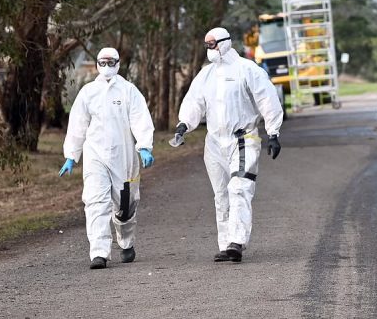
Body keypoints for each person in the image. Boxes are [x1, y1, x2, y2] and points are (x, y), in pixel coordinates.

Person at [170, 27, 282, 263]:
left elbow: (267, 98)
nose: (209, 49)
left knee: (239, 188)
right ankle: (225, 245)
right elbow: (194, 102)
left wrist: (273, 132)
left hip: (243, 139)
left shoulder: (247, 69)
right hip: (214, 142)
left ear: (224, 43)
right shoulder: (206, 75)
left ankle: (237, 241)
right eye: (206, 45)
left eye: (212, 44)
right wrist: (184, 125)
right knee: (221, 194)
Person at [59, 47, 155, 269]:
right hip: (96, 155)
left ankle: (126, 241)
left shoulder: (129, 91)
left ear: (119, 63)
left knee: (125, 207)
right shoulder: (88, 92)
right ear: (97, 63)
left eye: (111, 61)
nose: (107, 65)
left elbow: (141, 119)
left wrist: (144, 147)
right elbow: (77, 124)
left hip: (124, 157)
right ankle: (99, 252)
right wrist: (72, 155)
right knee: (95, 202)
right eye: (103, 61)